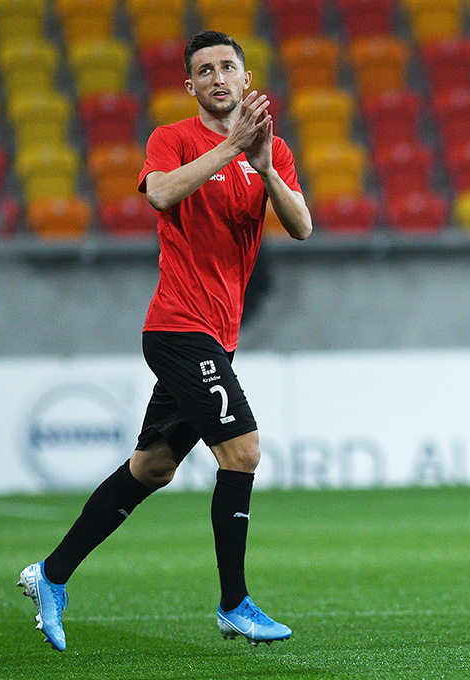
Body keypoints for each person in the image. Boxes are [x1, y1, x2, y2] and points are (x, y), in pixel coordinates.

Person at [18, 31, 312, 652]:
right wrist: (231, 147)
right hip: (179, 328)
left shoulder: (273, 149)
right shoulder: (172, 139)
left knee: (151, 468)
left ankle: (50, 574)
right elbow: (158, 192)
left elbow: (302, 226)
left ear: (246, 77)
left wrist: (262, 165)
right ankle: (234, 604)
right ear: (191, 85)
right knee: (243, 452)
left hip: (218, 334)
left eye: (227, 67)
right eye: (204, 70)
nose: (217, 78)